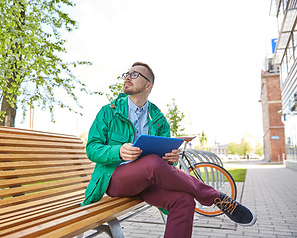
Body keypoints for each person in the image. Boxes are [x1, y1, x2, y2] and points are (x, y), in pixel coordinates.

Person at [81, 62, 256, 238]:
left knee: (184, 201)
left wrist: (171, 157)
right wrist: (118, 151)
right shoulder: (108, 112)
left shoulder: (158, 119)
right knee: (151, 162)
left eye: (135, 75)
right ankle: (214, 196)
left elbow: (162, 159)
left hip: (148, 181)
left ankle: (210, 196)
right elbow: (92, 149)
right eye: (127, 73)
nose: (127, 76)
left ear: (148, 85)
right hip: (115, 179)